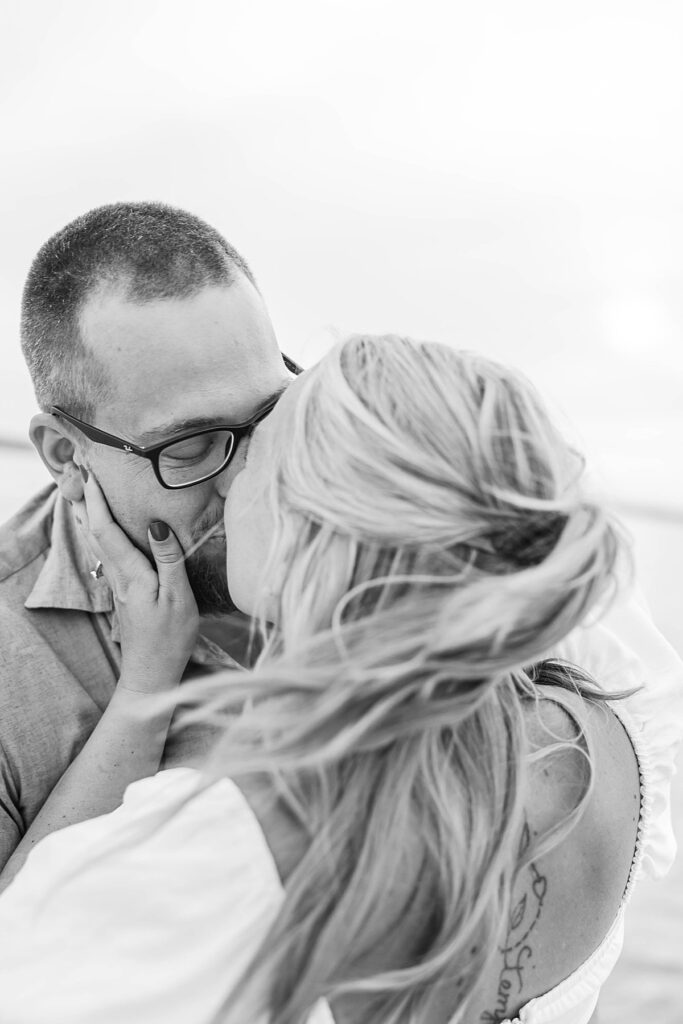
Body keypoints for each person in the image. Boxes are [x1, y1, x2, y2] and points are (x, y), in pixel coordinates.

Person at [0, 334, 680, 1024]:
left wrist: (145, 689)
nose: (226, 481)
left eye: (257, 457)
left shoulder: (231, 842)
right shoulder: (608, 721)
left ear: (306, 531)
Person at [0, 201, 299, 877]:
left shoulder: (368, 534)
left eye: (272, 412)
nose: (251, 478)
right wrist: (145, 695)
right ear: (64, 455)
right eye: (192, 447)